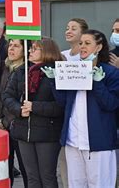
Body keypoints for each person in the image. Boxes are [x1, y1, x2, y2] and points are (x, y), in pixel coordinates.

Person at [44, 29, 119, 187]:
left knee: (100, 184)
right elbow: (63, 102)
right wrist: (54, 82)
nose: (82, 47)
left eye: (87, 43)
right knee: (75, 184)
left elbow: (111, 104)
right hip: (73, 141)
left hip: (98, 142)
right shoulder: (74, 70)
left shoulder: (110, 73)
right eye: (80, 43)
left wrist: (97, 82)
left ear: (98, 47)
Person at [3, 37, 64, 188]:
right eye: (30, 48)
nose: (29, 51)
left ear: (47, 51)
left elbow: (61, 105)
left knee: (47, 177)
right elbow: (7, 96)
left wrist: (34, 107)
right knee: (32, 178)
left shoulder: (58, 72)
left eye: (34, 48)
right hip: (24, 132)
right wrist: (18, 109)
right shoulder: (22, 71)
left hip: (47, 134)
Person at [57, 18, 88, 187]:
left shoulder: (89, 58)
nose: (68, 31)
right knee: (69, 171)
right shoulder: (62, 56)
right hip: (65, 119)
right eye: (67, 28)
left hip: (84, 119)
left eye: (73, 28)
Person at [0, 39, 29, 187]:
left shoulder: (27, 70)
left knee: (26, 169)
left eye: (16, 46)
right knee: (6, 168)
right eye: (10, 45)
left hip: (20, 125)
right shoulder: (6, 67)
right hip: (5, 125)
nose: (11, 49)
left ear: (24, 50)